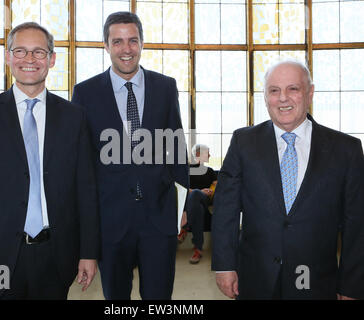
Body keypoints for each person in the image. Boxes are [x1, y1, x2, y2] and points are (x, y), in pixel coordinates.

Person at [0, 22, 100, 300]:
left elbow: (85, 192)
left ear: (52, 59)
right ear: (7, 57)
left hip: (55, 258)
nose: (29, 60)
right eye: (20, 51)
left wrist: (88, 252)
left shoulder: (74, 118)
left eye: (39, 52)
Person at [212, 60, 364, 300]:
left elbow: (356, 225)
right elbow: (225, 208)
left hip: (316, 281)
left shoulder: (347, 150)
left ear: (310, 93)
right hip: (255, 279)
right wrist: (224, 265)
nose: (283, 98)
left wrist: (351, 285)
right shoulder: (243, 142)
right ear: (265, 96)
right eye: (274, 90)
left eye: (292, 89)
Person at [72, 11, 189, 300]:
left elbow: (176, 147)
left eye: (133, 40)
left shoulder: (165, 86)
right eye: (118, 41)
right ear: (106, 45)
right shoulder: (84, 93)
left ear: (142, 43)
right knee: (116, 298)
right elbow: (82, 164)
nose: (126, 49)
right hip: (109, 219)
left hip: (159, 216)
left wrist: (182, 204)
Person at [178, 144, 217, 264]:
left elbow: (215, 186)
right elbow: (182, 188)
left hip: (206, 201)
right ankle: (198, 249)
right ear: (199, 154)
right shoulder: (187, 170)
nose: (209, 155)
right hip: (193, 204)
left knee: (196, 196)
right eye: (207, 152)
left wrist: (210, 190)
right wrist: (199, 191)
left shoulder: (210, 171)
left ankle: (185, 226)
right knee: (196, 203)